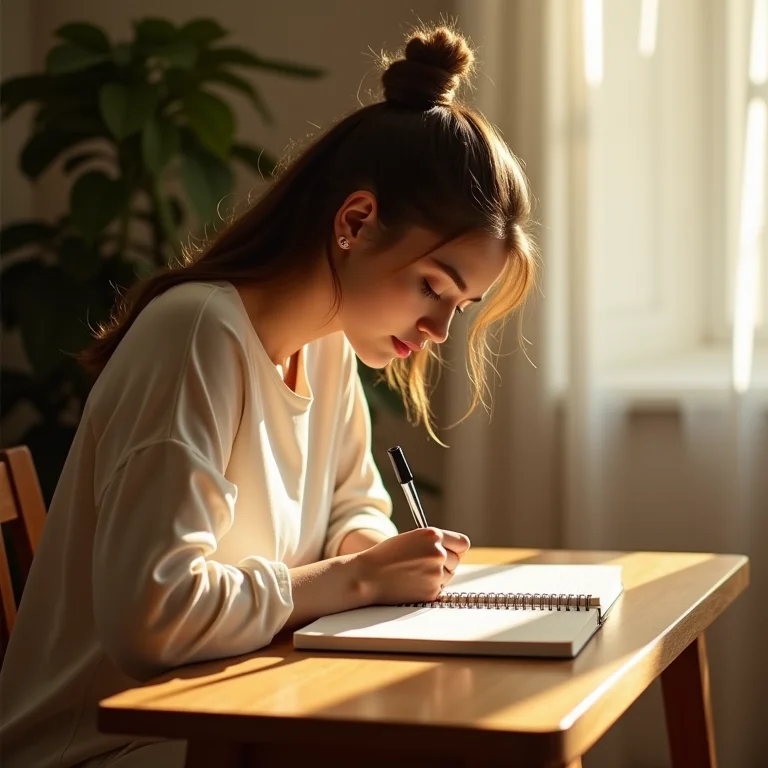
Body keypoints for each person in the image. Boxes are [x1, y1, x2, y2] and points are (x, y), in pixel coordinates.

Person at [0, 23, 536, 768]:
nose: (441, 328)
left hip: (231, 715)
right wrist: (353, 579)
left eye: (461, 306)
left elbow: (355, 503)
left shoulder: (326, 347)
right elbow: (152, 619)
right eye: (433, 287)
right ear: (354, 222)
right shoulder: (197, 335)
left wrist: (375, 554)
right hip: (116, 745)